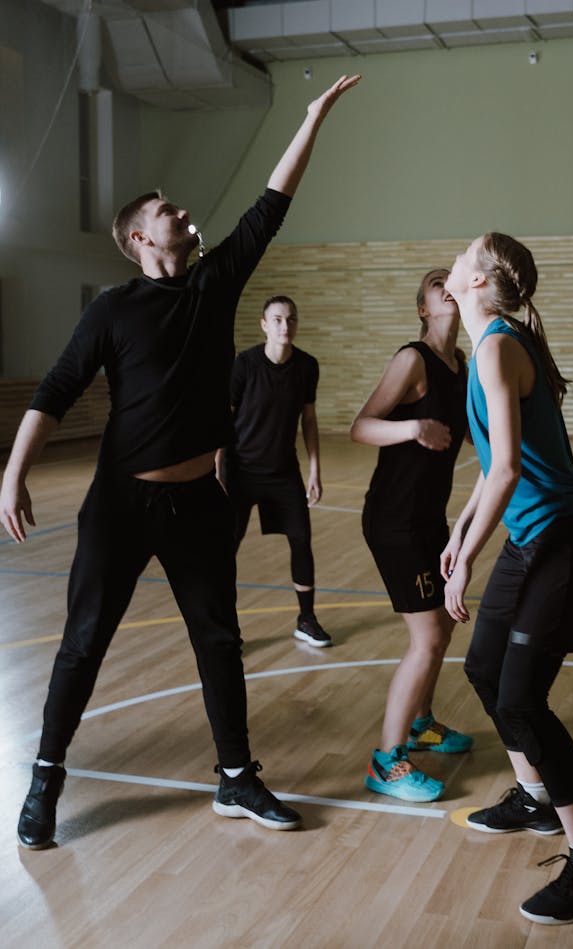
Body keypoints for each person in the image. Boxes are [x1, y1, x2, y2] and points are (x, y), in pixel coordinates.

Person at [0, 73, 360, 850]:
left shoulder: (211, 286)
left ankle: (236, 776)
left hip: (200, 501)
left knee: (219, 637)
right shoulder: (111, 310)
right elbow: (58, 388)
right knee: (83, 642)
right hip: (121, 504)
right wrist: (13, 470)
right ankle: (45, 775)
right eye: (171, 212)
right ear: (139, 237)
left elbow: (270, 207)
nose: (187, 215)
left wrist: (311, 121)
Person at [440, 232, 573, 924]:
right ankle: (535, 797)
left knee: (521, 699)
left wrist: (472, 555)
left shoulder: (494, 346)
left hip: (566, 538)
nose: (455, 258)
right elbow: (493, 463)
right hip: (533, 535)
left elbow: (511, 468)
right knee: (485, 669)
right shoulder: (495, 340)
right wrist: (459, 533)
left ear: (481, 281)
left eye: (466, 253)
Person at [350, 268, 473, 803]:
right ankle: (386, 762)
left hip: (429, 517)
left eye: (452, 279)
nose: (447, 285)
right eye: (434, 283)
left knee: (442, 631)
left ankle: (423, 724)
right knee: (427, 639)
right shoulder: (412, 360)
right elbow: (360, 426)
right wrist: (412, 427)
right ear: (424, 308)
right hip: (394, 521)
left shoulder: (461, 365)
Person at [218, 294, 331, 647]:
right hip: (240, 472)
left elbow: (309, 420)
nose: (286, 326)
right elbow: (224, 418)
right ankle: (223, 627)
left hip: (283, 472)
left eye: (291, 319)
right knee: (226, 548)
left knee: (301, 540)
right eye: (278, 319)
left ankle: (306, 619)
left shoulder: (307, 366)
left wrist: (314, 469)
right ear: (265, 325)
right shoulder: (245, 364)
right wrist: (217, 470)